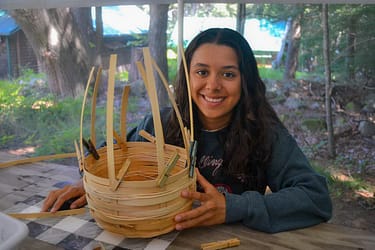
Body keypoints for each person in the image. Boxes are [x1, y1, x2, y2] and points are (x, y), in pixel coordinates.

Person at [42, 28, 332, 233]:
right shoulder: (158, 125)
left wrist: (236, 208)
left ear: (245, 80)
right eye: (202, 72)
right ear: (187, 75)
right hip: (151, 235)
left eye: (228, 74)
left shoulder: (265, 135)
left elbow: (316, 198)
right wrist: (95, 186)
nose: (213, 85)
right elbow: (105, 159)